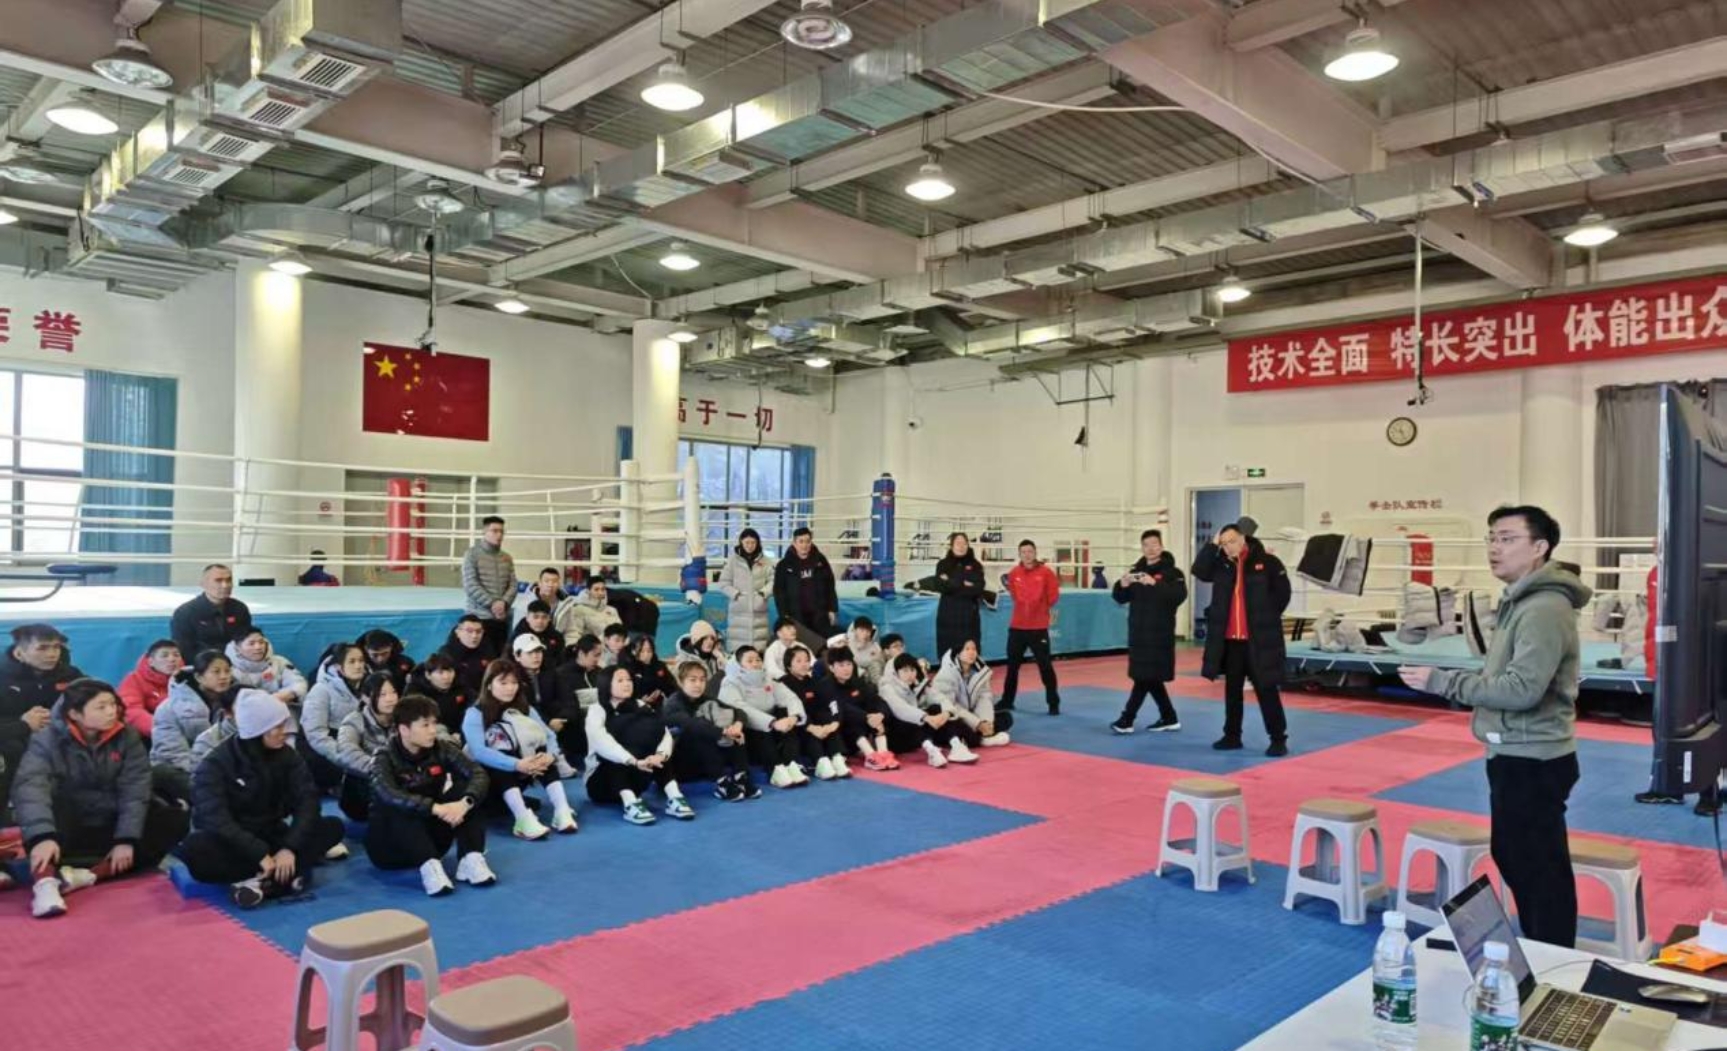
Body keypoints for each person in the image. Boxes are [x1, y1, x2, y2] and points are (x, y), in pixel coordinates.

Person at [1399, 505, 1590, 948]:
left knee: (1538, 870)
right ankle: (1544, 950)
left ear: (1539, 548)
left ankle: (1553, 958)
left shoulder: (1543, 608)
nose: (1494, 548)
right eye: (1491, 538)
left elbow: (1522, 690)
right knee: (1520, 860)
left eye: (1507, 539)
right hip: (1515, 751)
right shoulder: (1521, 601)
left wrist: (1443, 682)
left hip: (1533, 757)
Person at [9, 678, 190, 918]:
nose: (111, 712)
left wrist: (126, 838)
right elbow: (31, 787)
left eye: (113, 705)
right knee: (39, 817)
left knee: (172, 819)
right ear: (74, 713)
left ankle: (87, 875)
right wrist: (43, 836)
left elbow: (135, 789)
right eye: (101, 707)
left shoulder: (127, 736)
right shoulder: (47, 739)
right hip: (69, 821)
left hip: (110, 818)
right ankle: (45, 884)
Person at [176, 691, 347, 909]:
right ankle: (284, 879)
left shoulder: (288, 756)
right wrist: (259, 854)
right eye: (277, 727)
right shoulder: (216, 764)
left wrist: (289, 848)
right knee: (195, 849)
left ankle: (257, 882)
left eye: (284, 724)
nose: (284, 732)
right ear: (257, 731)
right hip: (235, 841)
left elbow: (308, 801)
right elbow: (215, 818)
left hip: (272, 834)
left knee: (332, 827)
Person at [367, 694, 496, 896]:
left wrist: (464, 803)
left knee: (467, 790)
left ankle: (470, 857)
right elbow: (387, 793)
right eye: (425, 725)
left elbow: (477, 773)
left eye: (434, 723)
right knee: (397, 803)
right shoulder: (382, 757)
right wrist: (435, 808)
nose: (433, 730)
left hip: (432, 837)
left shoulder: (441, 748)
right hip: (389, 846)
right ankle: (429, 868)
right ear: (404, 729)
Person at [1191, 521, 1292, 757]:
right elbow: (1199, 571)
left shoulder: (1268, 562)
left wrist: (1265, 617)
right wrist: (1212, 545)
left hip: (1257, 641)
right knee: (1232, 692)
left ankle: (1278, 738)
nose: (1228, 547)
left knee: (1266, 689)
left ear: (1243, 539)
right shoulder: (1221, 564)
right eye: (1224, 543)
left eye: (1232, 541)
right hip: (1231, 641)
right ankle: (1232, 735)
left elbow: (1283, 594)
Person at [462, 659, 579, 840]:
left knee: (541, 751)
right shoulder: (475, 713)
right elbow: (479, 751)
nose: (510, 688)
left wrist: (550, 756)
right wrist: (516, 764)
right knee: (501, 750)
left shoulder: (526, 709)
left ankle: (562, 810)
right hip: (487, 780)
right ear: (489, 685)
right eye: (503, 683)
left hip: (523, 769)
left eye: (514, 683)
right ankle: (522, 819)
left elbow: (549, 735)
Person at [584, 665, 696, 824]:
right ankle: (630, 803)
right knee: (615, 754)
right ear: (606, 684)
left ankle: (675, 797)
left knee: (657, 749)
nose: (627, 684)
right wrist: (633, 761)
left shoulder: (640, 705)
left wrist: (660, 756)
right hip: (602, 782)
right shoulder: (597, 710)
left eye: (629, 680)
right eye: (620, 680)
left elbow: (663, 732)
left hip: (639, 774)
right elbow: (602, 742)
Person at [0, 624, 84, 817]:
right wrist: (23, 724)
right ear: (20, 652)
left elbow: (95, 702)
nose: (52, 654)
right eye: (43, 648)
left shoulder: (71, 675)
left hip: (60, 743)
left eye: (56, 647)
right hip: (13, 747)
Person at [1111, 530, 1189, 734]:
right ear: (1142, 548)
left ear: (1161, 546)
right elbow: (1120, 598)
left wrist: (1155, 583)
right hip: (1138, 633)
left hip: (1159, 634)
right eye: (1146, 545)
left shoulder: (1174, 573)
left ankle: (1127, 719)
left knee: (1144, 677)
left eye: (1154, 544)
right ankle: (1169, 717)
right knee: (1149, 677)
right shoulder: (1135, 571)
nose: (1151, 548)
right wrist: (1122, 585)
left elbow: (1178, 596)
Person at [663, 662, 761, 802]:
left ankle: (741, 777)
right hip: (682, 764)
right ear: (680, 682)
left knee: (735, 732)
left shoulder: (706, 699)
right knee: (700, 730)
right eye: (693, 680)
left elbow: (738, 712)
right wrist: (724, 731)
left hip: (707, 760)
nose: (698, 684)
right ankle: (722, 783)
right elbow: (691, 724)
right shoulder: (673, 704)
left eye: (702, 680)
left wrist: (737, 725)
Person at [717, 646, 807, 789]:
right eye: (750, 660)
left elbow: (790, 697)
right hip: (746, 735)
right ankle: (775, 770)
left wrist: (793, 717)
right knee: (763, 729)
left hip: (773, 729)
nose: (755, 663)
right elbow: (740, 709)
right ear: (739, 665)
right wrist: (772, 723)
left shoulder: (767, 679)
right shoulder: (730, 682)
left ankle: (792, 763)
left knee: (785, 714)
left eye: (758, 660)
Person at [150, 651, 237, 795]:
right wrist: (210, 774)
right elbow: (173, 755)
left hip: (224, 770)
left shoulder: (237, 703)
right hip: (183, 771)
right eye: (216, 672)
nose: (223, 676)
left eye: (227, 671)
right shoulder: (168, 709)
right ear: (198, 677)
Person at [1000, 540, 1062, 715]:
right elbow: (1014, 595)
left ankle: (1053, 703)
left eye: (1030, 551)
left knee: (1045, 666)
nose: (1027, 555)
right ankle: (1007, 701)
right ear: (1019, 554)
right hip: (1017, 627)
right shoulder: (1014, 573)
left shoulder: (1046, 573)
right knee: (1012, 667)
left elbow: (1053, 596)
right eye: (1023, 552)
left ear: (1035, 553)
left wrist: (1039, 607)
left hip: (1038, 627)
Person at [879, 653, 973, 768]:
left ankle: (956, 745)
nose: (910, 674)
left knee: (937, 708)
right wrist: (926, 717)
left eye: (912, 670)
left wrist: (946, 713)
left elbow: (940, 698)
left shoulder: (918, 684)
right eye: (905, 671)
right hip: (898, 737)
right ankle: (931, 751)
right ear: (895, 672)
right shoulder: (887, 688)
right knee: (911, 718)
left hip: (919, 734)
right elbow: (900, 709)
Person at [300, 643, 368, 790]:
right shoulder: (321, 690)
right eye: (352, 661)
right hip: (327, 746)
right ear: (338, 667)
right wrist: (346, 755)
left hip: (355, 740)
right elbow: (315, 734)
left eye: (361, 660)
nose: (358, 666)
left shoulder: (369, 686)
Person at [334, 671, 400, 822]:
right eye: (382, 695)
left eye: (394, 692)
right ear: (366, 697)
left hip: (397, 782)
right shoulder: (354, 720)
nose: (390, 699)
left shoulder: (403, 717)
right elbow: (346, 753)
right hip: (365, 788)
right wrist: (383, 770)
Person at [820, 646, 899, 771]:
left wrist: (880, 715)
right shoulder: (826, 686)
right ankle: (870, 756)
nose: (846, 669)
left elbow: (876, 700)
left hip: (864, 723)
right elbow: (842, 708)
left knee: (879, 715)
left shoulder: (858, 682)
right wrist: (867, 717)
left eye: (849, 664)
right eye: (841, 665)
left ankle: (883, 753)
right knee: (853, 722)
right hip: (840, 730)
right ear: (831, 668)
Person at [778, 644, 850, 780]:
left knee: (828, 723)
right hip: (797, 726)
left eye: (806, 660)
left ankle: (837, 757)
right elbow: (786, 712)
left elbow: (831, 701)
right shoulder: (783, 684)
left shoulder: (814, 682)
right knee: (809, 732)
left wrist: (833, 723)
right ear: (789, 666)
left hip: (815, 723)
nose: (804, 664)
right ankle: (820, 761)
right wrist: (810, 727)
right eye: (799, 661)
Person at [170, 564, 253, 668]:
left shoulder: (240, 609)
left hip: (237, 666)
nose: (225, 585)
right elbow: (184, 650)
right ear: (203, 584)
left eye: (229, 580)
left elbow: (247, 641)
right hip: (201, 667)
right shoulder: (185, 613)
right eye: (218, 581)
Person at [934, 640, 1010, 748]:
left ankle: (983, 734)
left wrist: (985, 721)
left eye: (974, 649)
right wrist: (977, 723)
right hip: (952, 714)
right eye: (967, 649)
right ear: (958, 653)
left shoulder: (980, 670)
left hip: (971, 714)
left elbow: (984, 697)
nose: (971, 652)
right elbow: (950, 705)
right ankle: (980, 738)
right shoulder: (946, 673)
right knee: (955, 726)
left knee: (1006, 718)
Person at [773, 526, 838, 649]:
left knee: (823, 646)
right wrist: (784, 615)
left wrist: (832, 609)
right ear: (794, 543)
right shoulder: (784, 565)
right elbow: (779, 592)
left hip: (819, 613)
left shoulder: (821, 561)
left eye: (807, 541)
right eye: (801, 541)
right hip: (796, 615)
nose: (804, 545)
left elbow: (830, 585)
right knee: (801, 647)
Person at [930, 533, 990, 663]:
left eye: (964, 543)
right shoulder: (943, 564)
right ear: (951, 546)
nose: (961, 546)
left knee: (969, 650)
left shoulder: (976, 565)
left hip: (969, 615)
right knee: (947, 650)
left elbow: (978, 588)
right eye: (958, 543)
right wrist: (964, 583)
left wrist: (951, 581)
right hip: (948, 614)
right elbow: (940, 586)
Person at [461, 516, 517, 652]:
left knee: (499, 658)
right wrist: (492, 604)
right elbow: (470, 584)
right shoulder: (471, 555)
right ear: (484, 532)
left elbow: (513, 585)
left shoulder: (507, 558)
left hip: (502, 618)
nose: (499, 535)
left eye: (502, 531)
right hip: (479, 618)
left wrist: (504, 603)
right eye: (495, 531)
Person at [716, 528, 773, 651]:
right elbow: (723, 583)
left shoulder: (766, 561)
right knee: (738, 647)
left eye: (753, 542)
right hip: (738, 609)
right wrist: (736, 594)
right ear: (741, 542)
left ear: (757, 543)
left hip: (759, 609)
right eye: (747, 542)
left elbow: (773, 581)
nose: (750, 546)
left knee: (759, 646)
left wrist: (763, 594)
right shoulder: (732, 561)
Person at [548, 635, 604, 758]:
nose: (598, 659)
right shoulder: (562, 674)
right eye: (595, 655)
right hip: (573, 727)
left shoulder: (599, 673)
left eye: (600, 655)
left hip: (598, 724)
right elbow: (559, 703)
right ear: (581, 654)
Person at [226, 629, 308, 710]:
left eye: (261, 642)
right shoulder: (228, 668)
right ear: (238, 648)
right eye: (251, 644)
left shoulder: (279, 662)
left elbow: (298, 683)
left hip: (280, 708)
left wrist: (288, 694)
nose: (258, 647)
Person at [117, 639, 181, 739]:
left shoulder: (188, 677)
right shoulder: (134, 679)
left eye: (176, 655)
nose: (172, 659)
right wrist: (162, 730)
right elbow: (131, 710)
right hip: (153, 734)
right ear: (151, 661)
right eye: (164, 655)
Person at [408, 653, 469, 739]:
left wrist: (461, 733)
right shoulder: (415, 693)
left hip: (462, 732)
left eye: (450, 671)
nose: (446, 677)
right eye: (440, 672)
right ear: (428, 675)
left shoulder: (461, 684)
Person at [439, 615, 498, 696]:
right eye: (469, 631)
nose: (474, 636)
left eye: (478, 631)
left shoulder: (487, 650)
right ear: (458, 632)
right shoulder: (447, 653)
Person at [557, 578, 623, 647]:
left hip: (617, 647)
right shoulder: (579, 609)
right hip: (593, 649)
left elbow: (622, 632)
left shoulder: (612, 610)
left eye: (603, 589)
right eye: (596, 589)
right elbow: (574, 634)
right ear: (588, 591)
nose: (600, 592)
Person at [827, 616, 884, 685]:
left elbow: (880, 665)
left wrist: (877, 658)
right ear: (855, 630)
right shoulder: (846, 641)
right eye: (862, 630)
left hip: (868, 677)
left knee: (875, 664)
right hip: (847, 674)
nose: (865, 634)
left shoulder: (875, 647)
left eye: (868, 631)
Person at [624, 634, 678, 705]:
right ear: (633, 651)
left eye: (649, 651)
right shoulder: (629, 668)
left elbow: (671, 687)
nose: (646, 654)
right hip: (635, 705)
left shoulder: (659, 666)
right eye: (641, 651)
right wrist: (640, 700)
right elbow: (625, 693)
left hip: (658, 704)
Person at [672, 619, 724, 692]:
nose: (709, 642)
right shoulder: (685, 661)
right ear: (696, 640)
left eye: (712, 638)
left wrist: (721, 658)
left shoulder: (714, 657)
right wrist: (720, 673)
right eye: (705, 638)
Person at [511, 600, 565, 666]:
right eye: (536, 617)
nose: (540, 621)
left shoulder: (557, 637)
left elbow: (561, 661)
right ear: (527, 618)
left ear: (549, 618)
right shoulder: (517, 637)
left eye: (544, 617)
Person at [764, 618, 803, 682]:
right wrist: (789, 678)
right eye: (788, 628)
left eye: (794, 628)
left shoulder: (801, 646)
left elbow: (812, 662)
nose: (793, 630)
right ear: (779, 633)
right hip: (780, 682)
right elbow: (771, 669)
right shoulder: (772, 649)